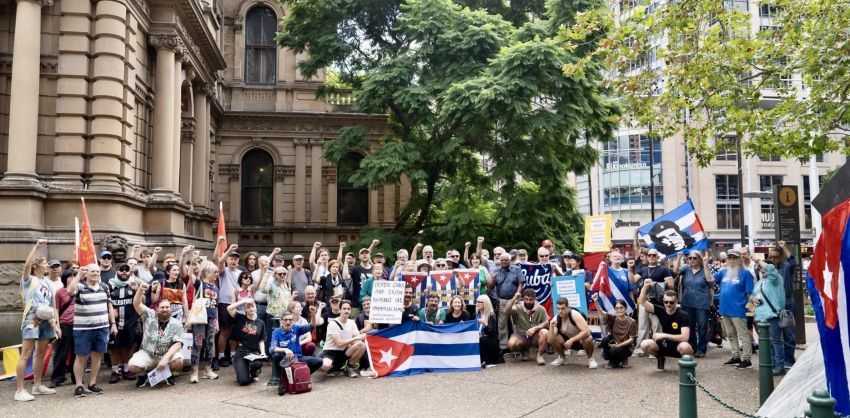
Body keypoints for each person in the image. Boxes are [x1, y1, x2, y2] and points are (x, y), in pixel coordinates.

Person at [14, 239, 59, 401]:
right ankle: (19, 390)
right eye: (45, 263)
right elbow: (26, 265)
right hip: (32, 318)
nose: (47, 266)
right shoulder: (28, 280)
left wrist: (57, 324)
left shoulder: (46, 281)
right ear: (37, 266)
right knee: (26, 353)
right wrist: (37, 247)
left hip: (47, 319)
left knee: (40, 353)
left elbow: (52, 304)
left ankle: (37, 385)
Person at [66, 263, 117, 397]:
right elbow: (69, 291)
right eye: (92, 271)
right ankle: (79, 385)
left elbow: (109, 306)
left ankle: (92, 383)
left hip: (102, 327)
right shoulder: (80, 287)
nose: (95, 273)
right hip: (83, 329)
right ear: (86, 273)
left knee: (97, 356)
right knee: (81, 357)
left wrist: (113, 323)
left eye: (97, 271)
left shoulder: (104, 287)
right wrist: (78, 275)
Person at [128, 282, 185, 388]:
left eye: (167, 307)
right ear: (157, 308)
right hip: (147, 353)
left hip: (165, 354)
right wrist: (140, 290)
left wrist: (165, 359)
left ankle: (168, 374)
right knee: (132, 366)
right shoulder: (149, 315)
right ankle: (143, 375)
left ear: (170, 308)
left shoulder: (176, 323)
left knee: (178, 360)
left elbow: (178, 344)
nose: (165, 309)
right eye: (162, 307)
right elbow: (137, 304)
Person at [637, 282, 693, 371]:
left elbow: (685, 337)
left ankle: (686, 365)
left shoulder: (683, 315)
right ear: (663, 301)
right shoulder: (661, 310)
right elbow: (642, 301)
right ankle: (660, 357)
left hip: (679, 345)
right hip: (664, 344)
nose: (668, 304)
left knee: (685, 347)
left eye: (671, 302)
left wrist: (664, 335)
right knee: (644, 344)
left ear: (676, 302)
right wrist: (645, 287)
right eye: (666, 302)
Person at [714, 249, 755, 369]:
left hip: (738, 310)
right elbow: (710, 279)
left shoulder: (745, 273)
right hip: (725, 309)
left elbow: (750, 293)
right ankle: (736, 356)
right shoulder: (723, 272)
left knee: (743, 335)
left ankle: (747, 359)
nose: (732, 260)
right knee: (731, 334)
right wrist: (705, 264)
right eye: (730, 257)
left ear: (739, 259)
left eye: (734, 257)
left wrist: (749, 309)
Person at [269, 310, 327, 387]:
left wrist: (313, 315)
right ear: (281, 321)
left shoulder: (296, 328)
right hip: (285, 359)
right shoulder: (276, 332)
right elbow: (272, 348)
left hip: (298, 357)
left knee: (319, 361)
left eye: (290, 320)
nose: (288, 322)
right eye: (285, 320)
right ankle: (282, 379)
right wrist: (285, 350)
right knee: (275, 355)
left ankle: (301, 375)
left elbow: (311, 326)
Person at [751, 257, 787, 376]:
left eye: (763, 267)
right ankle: (771, 364)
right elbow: (752, 295)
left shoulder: (775, 278)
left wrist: (757, 260)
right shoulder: (761, 281)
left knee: (776, 341)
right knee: (768, 342)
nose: (762, 269)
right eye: (760, 268)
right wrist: (754, 299)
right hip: (761, 317)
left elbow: (770, 269)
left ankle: (780, 366)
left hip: (772, 315)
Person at [634, 249, 672, 356]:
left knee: (657, 326)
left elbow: (671, 285)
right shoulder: (643, 269)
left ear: (658, 257)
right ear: (647, 256)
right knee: (642, 326)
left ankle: (656, 349)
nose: (651, 257)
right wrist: (629, 268)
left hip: (657, 301)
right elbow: (632, 280)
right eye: (649, 255)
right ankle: (641, 349)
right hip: (644, 299)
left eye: (654, 255)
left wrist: (653, 284)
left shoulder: (664, 269)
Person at [674, 252, 713, 358]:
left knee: (702, 327)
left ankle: (701, 349)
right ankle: (693, 348)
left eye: (694, 258)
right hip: (687, 302)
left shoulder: (705, 269)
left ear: (699, 259)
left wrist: (705, 265)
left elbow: (710, 281)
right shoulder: (686, 269)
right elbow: (675, 271)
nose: (692, 260)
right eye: (690, 258)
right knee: (689, 326)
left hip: (702, 303)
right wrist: (679, 257)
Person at [107, 263, 140, 384]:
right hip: (114, 323)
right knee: (114, 348)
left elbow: (140, 302)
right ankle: (115, 371)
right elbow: (106, 303)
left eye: (127, 270)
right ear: (117, 271)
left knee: (128, 347)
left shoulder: (133, 284)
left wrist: (137, 290)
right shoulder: (109, 285)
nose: (124, 272)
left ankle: (127, 369)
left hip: (129, 322)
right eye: (122, 270)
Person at [189, 260, 220, 383]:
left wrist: (217, 321)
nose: (217, 274)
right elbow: (190, 274)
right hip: (200, 317)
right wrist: (193, 261)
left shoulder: (216, 288)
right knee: (197, 343)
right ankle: (194, 372)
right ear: (208, 272)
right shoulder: (200, 284)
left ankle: (208, 370)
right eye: (215, 272)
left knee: (210, 344)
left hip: (212, 317)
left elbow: (216, 305)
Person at [769, 241, 797, 370]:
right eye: (771, 257)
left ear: (780, 257)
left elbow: (793, 260)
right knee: (774, 334)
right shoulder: (769, 269)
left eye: (775, 257)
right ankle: (777, 360)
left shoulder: (786, 266)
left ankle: (789, 359)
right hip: (773, 304)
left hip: (786, 302)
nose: (773, 259)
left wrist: (784, 247)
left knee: (788, 332)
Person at [227, 298, 267, 386]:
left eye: (252, 306)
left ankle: (254, 372)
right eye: (248, 307)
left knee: (257, 363)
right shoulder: (240, 318)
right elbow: (229, 308)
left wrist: (263, 353)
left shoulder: (261, 323)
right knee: (243, 381)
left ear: (256, 307)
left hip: (254, 352)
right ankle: (240, 368)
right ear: (245, 309)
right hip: (241, 351)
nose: (251, 309)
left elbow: (261, 340)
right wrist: (244, 301)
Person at [548, 297, 597, 369]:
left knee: (588, 339)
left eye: (563, 308)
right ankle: (562, 358)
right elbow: (550, 340)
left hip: (580, 341)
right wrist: (551, 327)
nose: (560, 311)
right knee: (555, 337)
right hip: (567, 342)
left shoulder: (575, 314)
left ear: (568, 307)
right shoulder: (556, 319)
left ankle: (591, 359)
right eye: (558, 309)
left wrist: (572, 340)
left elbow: (587, 331)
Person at [322, 300, 366, 378]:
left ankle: (348, 367)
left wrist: (357, 340)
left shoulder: (352, 322)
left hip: (343, 351)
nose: (346, 311)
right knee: (325, 366)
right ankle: (333, 367)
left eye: (348, 309)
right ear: (340, 310)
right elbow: (339, 343)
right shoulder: (333, 323)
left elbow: (358, 339)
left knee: (362, 345)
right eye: (344, 309)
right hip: (330, 351)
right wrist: (355, 338)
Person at [505, 288, 550, 365]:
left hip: (535, 335)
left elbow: (547, 322)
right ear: (523, 299)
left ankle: (539, 355)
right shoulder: (518, 307)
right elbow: (506, 312)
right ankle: (524, 351)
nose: (528, 302)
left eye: (531, 299)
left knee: (545, 332)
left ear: (535, 299)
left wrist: (535, 328)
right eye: (526, 299)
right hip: (521, 334)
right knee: (511, 344)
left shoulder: (540, 308)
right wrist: (514, 299)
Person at [49, 265, 76, 388]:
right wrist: (57, 326)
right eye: (69, 276)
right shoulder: (60, 292)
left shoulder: (80, 290)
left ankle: (76, 377)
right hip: (65, 325)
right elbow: (56, 310)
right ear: (64, 278)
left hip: (79, 326)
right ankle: (57, 378)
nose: (71, 279)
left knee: (77, 353)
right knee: (61, 353)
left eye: (74, 276)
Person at [492, 253, 525, 354]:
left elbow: (521, 283)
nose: (503, 262)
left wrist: (517, 294)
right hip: (502, 300)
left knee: (516, 322)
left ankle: (518, 344)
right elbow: (491, 287)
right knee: (502, 324)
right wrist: (493, 279)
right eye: (502, 260)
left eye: (506, 260)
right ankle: (503, 346)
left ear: (510, 260)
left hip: (514, 299)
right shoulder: (496, 270)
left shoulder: (516, 269)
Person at [592, 294, 637, 368]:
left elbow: (632, 339)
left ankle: (620, 359)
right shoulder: (612, 318)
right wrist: (595, 301)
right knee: (605, 341)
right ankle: (613, 360)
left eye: (621, 308)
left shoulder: (632, 321)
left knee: (614, 352)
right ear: (614, 309)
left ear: (625, 308)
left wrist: (619, 345)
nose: (619, 310)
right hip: (615, 343)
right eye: (617, 308)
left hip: (627, 347)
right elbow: (601, 312)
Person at [215, 243, 240, 369]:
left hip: (236, 304)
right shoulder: (223, 271)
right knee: (224, 331)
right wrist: (229, 250)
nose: (233, 261)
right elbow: (220, 261)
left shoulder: (241, 273)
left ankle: (232, 355)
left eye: (235, 259)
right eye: (231, 258)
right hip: (224, 303)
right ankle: (220, 356)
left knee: (234, 331)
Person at [475, 295, 500, 367]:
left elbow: (492, 332)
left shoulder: (491, 316)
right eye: (477, 302)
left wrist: (485, 324)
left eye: (481, 302)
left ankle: (486, 361)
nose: (478, 303)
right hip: (479, 337)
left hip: (490, 341)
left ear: (486, 303)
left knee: (483, 339)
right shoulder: (475, 315)